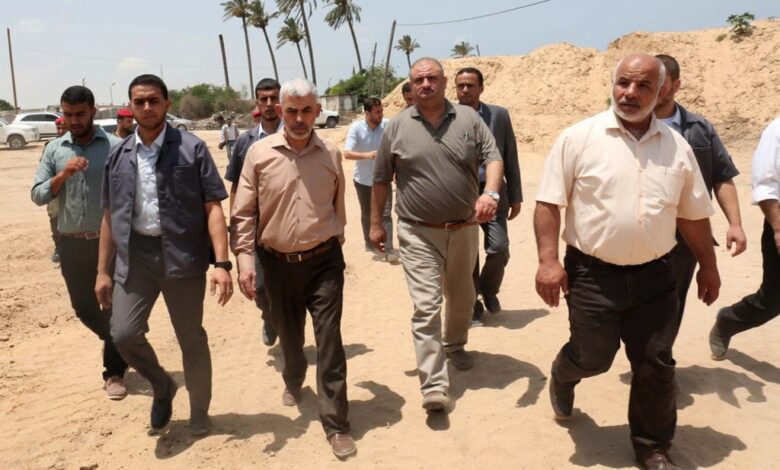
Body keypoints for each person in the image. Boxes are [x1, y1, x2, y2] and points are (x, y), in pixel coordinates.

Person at [535, 54, 720, 470]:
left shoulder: (677, 146)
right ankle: (565, 373)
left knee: (656, 362)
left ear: (662, 91)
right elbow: (548, 202)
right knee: (593, 357)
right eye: (623, 83)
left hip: (657, 275)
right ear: (613, 83)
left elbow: (692, 215)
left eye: (643, 86)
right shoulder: (579, 138)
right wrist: (548, 261)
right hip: (592, 274)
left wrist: (708, 266)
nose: (630, 93)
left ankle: (652, 446)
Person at [95, 74, 232, 437]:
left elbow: (213, 207)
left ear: (167, 104)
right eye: (139, 102)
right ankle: (162, 384)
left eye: (153, 100)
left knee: (191, 338)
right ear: (130, 107)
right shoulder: (118, 155)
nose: (147, 107)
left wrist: (222, 263)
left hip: (182, 256)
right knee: (123, 334)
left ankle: (200, 412)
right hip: (135, 257)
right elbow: (109, 215)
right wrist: (102, 271)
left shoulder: (191, 148)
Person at [232, 78, 356, 459]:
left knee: (330, 340)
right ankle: (293, 376)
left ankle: (337, 424)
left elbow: (338, 206)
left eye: (306, 111)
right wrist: (245, 260)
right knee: (288, 334)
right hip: (278, 263)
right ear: (279, 111)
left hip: (324, 262)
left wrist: (335, 241)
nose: (299, 119)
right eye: (291, 111)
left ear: (317, 111)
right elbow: (244, 213)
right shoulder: (258, 154)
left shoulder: (331, 154)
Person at [370, 57, 504, 411]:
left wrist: (490, 193)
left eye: (432, 78)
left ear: (444, 83)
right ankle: (434, 385)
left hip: (464, 229)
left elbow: (493, 158)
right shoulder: (396, 127)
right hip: (418, 232)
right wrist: (376, 223)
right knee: (427, 306)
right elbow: (381, 179)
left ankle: (455, 344)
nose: (425, 84)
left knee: (462, 298)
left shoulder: (468, 119)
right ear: (411, 86)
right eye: (418, 80)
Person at [31, 86, 128, 400]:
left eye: (80, 114)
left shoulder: (115, 146)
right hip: (71, 244)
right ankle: (125, 338)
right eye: (68, 114)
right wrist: (63, 175)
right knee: (83, 308)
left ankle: (114, 372)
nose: (74, 120)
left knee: (111, 307)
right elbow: (38, 195)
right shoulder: (54, 149)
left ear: (93, 112)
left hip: (110, 244)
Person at [653, 54, 746, 336]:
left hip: (686, 238)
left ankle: (659, 359)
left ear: (676, 85)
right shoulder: (628, 127)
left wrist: (735, 224)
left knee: (672, 306)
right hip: (641, 233)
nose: (654, 89)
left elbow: (722, 176)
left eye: (661, 83)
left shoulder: (700, 129)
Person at [455, 67, 523, 324]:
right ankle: (473, 304)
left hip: (493, 193)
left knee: (499, 247)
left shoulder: (499, 115)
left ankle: (489, 289)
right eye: (460, 85)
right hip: (461, 195)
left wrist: (515, 195)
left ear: (481, 88)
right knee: (467, 254)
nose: (464, 90)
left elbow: (510, 155)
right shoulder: (447, 117)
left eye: (470, 85)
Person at [710, 117, 780, 360]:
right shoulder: (776, 131)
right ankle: (729, 320)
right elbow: (765, 186)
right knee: (772, 301)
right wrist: (777, 229)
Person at [225, 78, 283, 347]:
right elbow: (236, 187)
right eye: (264, 99)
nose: (269, 104)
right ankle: (269, 318)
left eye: (274, 98)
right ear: (257, 103)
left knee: (291, 288)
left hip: (290, 225)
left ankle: (290, 333)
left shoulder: (297, 134)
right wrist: (235, 226)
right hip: (256, 227)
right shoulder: (244, 143)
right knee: (259, 287)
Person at [344, 97, 398, 263]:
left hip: (383, 180)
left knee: (386, 213)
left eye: (381, 111)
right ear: (367, 113)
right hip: (363, 180)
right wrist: (368, 155)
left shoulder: (387, 125)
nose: (381, 114)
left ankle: (388, 248)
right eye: (377, 112)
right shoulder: (356, 128)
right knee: (367, 214)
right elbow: (347, 153)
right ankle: (370, 243)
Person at [46, 116, 68, 263]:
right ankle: (59, 248)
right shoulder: (50, 145)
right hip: (55, 189)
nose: (60, 131)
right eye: (58, 128)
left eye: (63, 128)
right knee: (54, 217)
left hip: (73, 189)